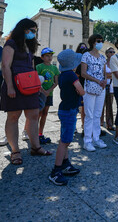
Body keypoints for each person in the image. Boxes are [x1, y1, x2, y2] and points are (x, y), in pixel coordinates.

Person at [0, 18, 51, 165]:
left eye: (35, 31)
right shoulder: (11, 43)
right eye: (32, 30)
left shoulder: (29, 46)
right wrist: (9, 86)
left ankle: (36, 147)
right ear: (24, 29)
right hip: (15, 84)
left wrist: (38, 87)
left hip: (30, 85)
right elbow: (5, 65)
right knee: (13, 117)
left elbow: (31, 67)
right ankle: (15, 151)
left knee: (34, 114)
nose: (34, 33)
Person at [48, 49, 84, 186]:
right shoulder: (73, 76)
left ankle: (65, 163)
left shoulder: (63, 75)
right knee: (64, 142)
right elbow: (81, 90)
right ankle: (56, 171)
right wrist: (80, 90)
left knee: (66, 138)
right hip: (69, 111)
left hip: (64, 109)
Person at [80, 34, 107, 151]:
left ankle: (96, 139)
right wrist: (97, 80)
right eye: (98, 41)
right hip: (90, 87)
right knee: (89, 115)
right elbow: (83, 73)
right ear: (92, 43)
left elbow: (104, 72)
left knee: (97, 114)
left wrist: (105, 80)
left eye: (102, 41)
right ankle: (87, 141)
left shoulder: (102, 58)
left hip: (101, 89)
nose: (100, 43)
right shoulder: (86, 55)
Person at [35, 47, 59, 144]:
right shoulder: (39, 67)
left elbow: (56, 82)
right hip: (40, 94)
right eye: (47, 56)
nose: (49, 58)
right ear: (42, 57)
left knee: (45, 113)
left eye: (51, 56)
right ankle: (34, 133)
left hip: (49, 94)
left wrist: (48, 91)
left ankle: (40, 133)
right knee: (38, 113)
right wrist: (43, 90)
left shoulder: (54, 68)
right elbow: (36, 81)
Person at [102, 47, 115, 131]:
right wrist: (110, 75)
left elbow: (117, 74)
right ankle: (100, 123)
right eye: (110, 52)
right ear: (106, 53)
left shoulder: (115, 63)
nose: (112, 53)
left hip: (111, 87)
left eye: (113, 52)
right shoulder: (103, 62)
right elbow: (103, 73)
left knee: (110, 106)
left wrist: (109, 75)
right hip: (103, 86)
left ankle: (109, 124)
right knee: (100, 106)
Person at [75, 43, 87, 133]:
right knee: (75, 107)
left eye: (85, 48)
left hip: (86, 87)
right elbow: (76, 75)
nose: (84, 49)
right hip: (77, 86)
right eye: (82, 48)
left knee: (84, 108)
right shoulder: (76, 60)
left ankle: (84, 125)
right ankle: (73, 126)